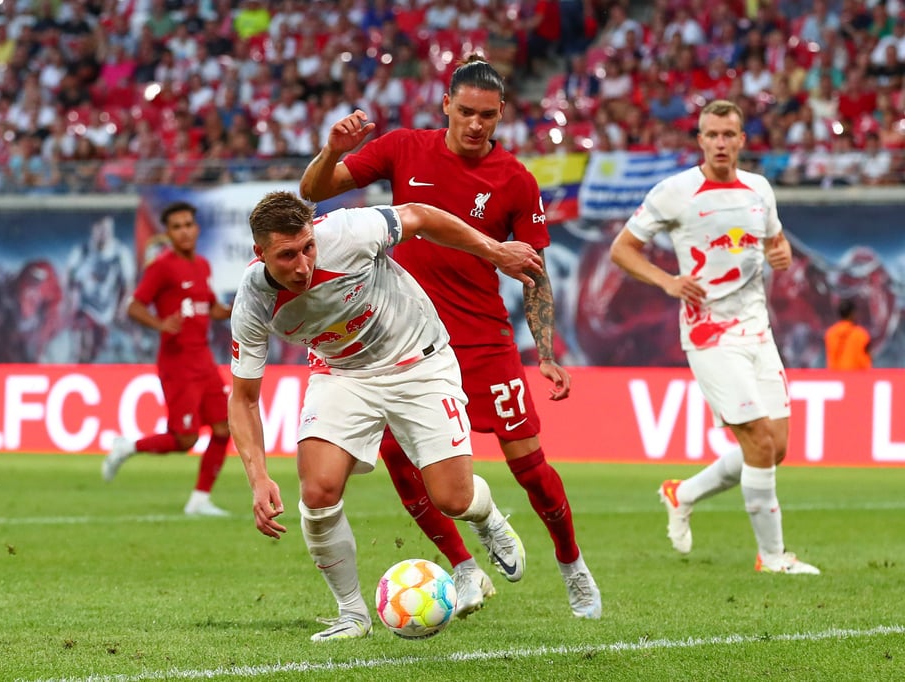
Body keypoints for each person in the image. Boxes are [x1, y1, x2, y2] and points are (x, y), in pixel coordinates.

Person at [299, 56, 601, 620]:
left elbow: (534, 273)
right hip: (403, 342)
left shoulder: (515, 179)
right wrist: (333, 150)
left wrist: (548, 354)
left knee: (529, 466)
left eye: (487, 115)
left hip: (483, 341)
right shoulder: (403, 148)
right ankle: (464, 567)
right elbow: (314, 191)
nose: (475, 124)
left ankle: (572, 565)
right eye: (465, 112)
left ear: (501, 114)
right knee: (397, 457)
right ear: (446, 105)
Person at [229, 191, 537, 642]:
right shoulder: (253, 301)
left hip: (418, 360)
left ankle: (486, 516)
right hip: (343, 374)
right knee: (317, 492)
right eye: (286, 255)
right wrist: (258, 477)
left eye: (307, 248)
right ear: (260, 254)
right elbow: (243, 398)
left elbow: (421, 215)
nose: (302, 266)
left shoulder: (348, 233)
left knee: (452, 498)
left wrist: (495, 252)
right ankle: (352, 615)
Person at [609, 99, 821, 575]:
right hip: (709, 334)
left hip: (758, 331)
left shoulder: (760, 190)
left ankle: (681, 494)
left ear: (742, 140)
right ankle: (772, 558)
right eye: (711, 134)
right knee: (759, 441)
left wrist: (781, 253)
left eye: (729, 134)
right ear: (700, 140)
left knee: (774, 446)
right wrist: (667, 281)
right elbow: (622, 250)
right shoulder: (675, 192)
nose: (721, 143)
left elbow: (773, 241)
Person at [102, 201, 233, 517]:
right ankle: (127, 447)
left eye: (189, 224)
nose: (184, 231)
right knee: (185, 438)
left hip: (203, 359)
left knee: (223, 429)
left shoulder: (202, 265)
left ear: (196, 228)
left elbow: (211, 308)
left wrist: (241, 308)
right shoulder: (161, 267)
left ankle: (199, 500)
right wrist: (160, 324)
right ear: (168, 233)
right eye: (177, 227)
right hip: (177, 363)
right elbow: (134, 306)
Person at [65, 216, 135, 363]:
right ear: (93, 230)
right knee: (82, 345)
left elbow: (128, 285)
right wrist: (71, 303)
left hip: (108, 311)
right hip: (85, 308)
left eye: (107, 229)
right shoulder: (82, 251)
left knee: (102, 352)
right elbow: (69, 278)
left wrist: (122, 309)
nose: (103, 233)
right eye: (100, 229)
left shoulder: (120, 253)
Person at [825, 299, 872, 369]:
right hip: (856, 376)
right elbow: (866, 358)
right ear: (852, 313)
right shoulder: (860, 334)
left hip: (836, 376)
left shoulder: (830, 334)